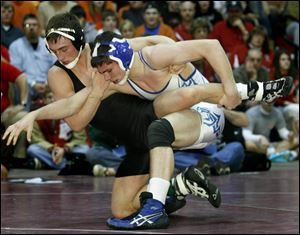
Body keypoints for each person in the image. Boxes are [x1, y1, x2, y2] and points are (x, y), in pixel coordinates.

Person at [3, 13, 292, 230]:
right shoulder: (85, 75)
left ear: (80, 40)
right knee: (120, 210)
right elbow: (75, 116)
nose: (59, 56)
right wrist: (35, 113)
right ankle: (182, 184)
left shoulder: (108, 54)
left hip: (151, 118)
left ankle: (253, 90)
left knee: (170, 105)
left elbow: (157, 44)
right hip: (134, 142)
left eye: (63, 49)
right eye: (53, 51)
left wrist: (180, 59)